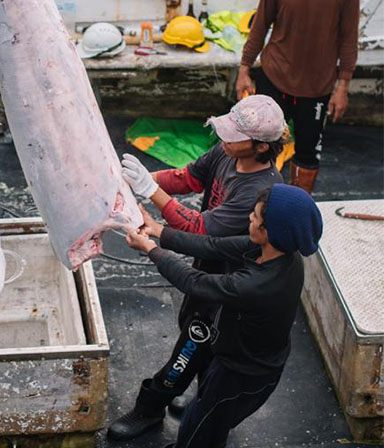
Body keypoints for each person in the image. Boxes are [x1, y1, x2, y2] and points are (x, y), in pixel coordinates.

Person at [108, 94, 286, 440]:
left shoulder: (260, 192)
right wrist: (142, 180)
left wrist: (151, 195)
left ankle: (150, 407)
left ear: (261, 147)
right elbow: (188, 178)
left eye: (234, 136)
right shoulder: (226, 151)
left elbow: (198, 227)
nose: (225, 139)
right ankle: (204, 396)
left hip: (229, 284)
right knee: (195, 334)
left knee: (192, 344)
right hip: (208, 259)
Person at [125, 183, 323, 448]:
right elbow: (213, 246)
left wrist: (151, 250)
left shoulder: (257, 284)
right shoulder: (275, 250)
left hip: (242, 374)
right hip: (231, 358)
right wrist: (158, 231)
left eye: (255, 216)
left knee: (202, 427)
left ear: (268, 231)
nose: (249, 218)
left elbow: (194, 281)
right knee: (204, 414)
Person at [236, 0, 360, 194]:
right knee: (259, 147)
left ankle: (295, 210)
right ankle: (252, 205)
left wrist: (343, 86)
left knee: (306, 154)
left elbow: (348, 39)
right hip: (273, 77)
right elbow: (260, 26)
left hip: (316, 88)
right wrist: (244, 69)